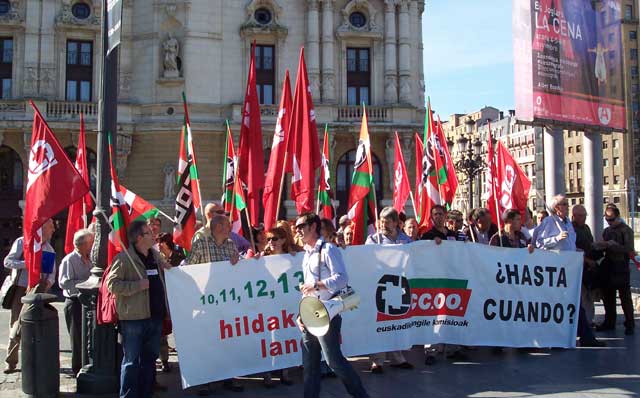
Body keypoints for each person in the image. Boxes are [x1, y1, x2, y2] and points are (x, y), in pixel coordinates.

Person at [294, 213, 369, 398]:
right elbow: (307, 289)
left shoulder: (328, 249)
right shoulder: (307, 254)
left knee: (333, 361)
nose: (298, 230)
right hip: (310, 311)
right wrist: (300, 313)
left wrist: (317, 285)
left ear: (313, 227)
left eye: (301, 226)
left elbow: (342, 279)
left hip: (328, 313)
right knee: (310, 366)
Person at [106, 221, 171, 398]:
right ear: (139, 238)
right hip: (133, 319)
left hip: (155, 317)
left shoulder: (155, 257)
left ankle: (146, 392)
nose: (153, 235)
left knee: (149, 360)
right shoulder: (124, 259)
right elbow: (112, 285)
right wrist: (137, 286)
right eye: (149, 233)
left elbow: (171, 274)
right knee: (131, 362)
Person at [534, 195, 604, 347]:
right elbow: (538, 243)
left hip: (570, 270)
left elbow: (569, 243)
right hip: (556, 270)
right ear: (556, 207)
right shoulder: (549, 222)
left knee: (574, 303)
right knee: (561, 304)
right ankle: (571, 337)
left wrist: (575, 249)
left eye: (567, 204)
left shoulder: (567, 224)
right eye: (564, 204)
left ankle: (585, 337)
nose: (567, 206)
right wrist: (556, 238)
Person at [186, 214, 244, 393]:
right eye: (228, 225)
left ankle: (227, 377)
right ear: (218, 227)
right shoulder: (201, 244)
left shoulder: (231, 245)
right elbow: (188, 268)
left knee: (227, 341)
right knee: (207, 343)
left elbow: (239, 271)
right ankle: (204, 381)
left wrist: (238, 262)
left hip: (226, 303)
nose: (230, 228)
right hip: (206, 304)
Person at [3, 218, 57, 374]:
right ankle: (11, 362)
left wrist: (48, 283)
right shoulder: (22, 242)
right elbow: (8, 261)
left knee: (38, 327)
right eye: (51, 227)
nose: (53, 230)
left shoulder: (49, 249)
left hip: (39, 291)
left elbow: (51, 273)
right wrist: (28, 264)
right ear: (42, 228)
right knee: (16, 326)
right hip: (21, 289)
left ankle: (36, 361)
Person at [366, 207, 413, 373]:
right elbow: (364, 259)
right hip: (379, 287)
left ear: (395, 223)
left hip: (399, 286)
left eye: (387, 221)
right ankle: (377, 361)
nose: (383, 225)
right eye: (381, 221)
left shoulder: (406, 240)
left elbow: (414, 257)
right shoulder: (373, 239)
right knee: (379, 323)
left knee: (396, 321)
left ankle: (397, 357)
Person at [420, 205, 466, 363]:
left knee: (453, 313)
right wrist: (432, 245)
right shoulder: (428, 235)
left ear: (445, 216)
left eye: (441, 214)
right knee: (434, 315)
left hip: (453, 279)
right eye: (435, 214)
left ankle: (453, 348)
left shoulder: (455, 235)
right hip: (435, 280)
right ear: (432, 217)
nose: (438, 217)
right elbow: (422, 255)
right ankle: (431, 351)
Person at [259, 227, 295, 387]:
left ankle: (285, 372)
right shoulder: (262, 258)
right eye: (268, 239)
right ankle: (267, 375)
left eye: (274, 239)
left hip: (285, 305)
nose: (271, 242)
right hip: (268, 305)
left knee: (284, 337)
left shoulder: (293, 257)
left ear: (283, 240)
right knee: (268, 340)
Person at [58, 228, 94, 376]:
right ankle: (77, 369)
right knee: (77, 337)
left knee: (88, 336)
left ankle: (88, 364)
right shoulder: (69, 260)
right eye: (91, 242)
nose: (92, 245)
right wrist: (86, 283)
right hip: (74, 302)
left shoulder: (91, 258)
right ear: (83, 244)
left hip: (88, 302)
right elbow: (64, 282)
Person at [594, 206, 635, 335]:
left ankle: (630, 324)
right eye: (607, 219)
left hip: (621, 266)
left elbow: (629, 249)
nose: (609, 222)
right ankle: (609, 322)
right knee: (608, 297)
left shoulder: (626, 230)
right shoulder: (607, 231)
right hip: (609, 266)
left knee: (625, 298)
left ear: (617, 217)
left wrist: (615, 246)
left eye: (611, 219)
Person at [571, 205, 599, 325]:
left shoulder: (586, 228)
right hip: (578, 266)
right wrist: (586, 260)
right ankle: (583, 322)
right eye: (581, 216)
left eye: (585, 215)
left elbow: (590, 244)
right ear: (574, 216)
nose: (584, 218)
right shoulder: (571, 229)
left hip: (589, 267)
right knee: (581, 296)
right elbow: (572, 248)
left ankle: (589, 319)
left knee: (589, 296)